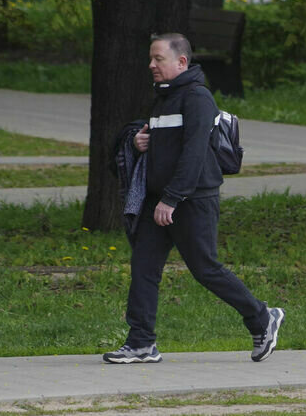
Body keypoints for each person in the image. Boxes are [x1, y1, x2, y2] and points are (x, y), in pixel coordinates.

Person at [103, 33, 285, 364]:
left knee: (205, 268)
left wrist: (171, 199)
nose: (151, 65)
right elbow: (166, 148)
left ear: (181, 62)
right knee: (144, 267)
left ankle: (262, 318)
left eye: (158, 59)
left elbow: (195, 153)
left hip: (191, 200)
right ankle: (141, 342)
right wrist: (139, 143)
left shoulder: (197, 98)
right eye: (151, 58)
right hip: (159, 200)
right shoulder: (163, 98)